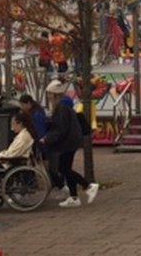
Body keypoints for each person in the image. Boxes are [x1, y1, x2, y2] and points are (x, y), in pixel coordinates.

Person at [39, 80, 98, 208]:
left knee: (63, 168)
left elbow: (61, 129)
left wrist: (47, 139)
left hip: (68, 142)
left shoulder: (61, 108)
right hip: (71, 141)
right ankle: (74, 197)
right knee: (66, 168)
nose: (48, 97)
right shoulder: (63, 106)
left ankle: (87, 186)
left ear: (55, 95)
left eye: (50, 94)